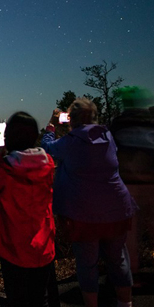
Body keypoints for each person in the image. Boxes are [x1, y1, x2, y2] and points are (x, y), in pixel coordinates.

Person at [42, 98, 137, 307]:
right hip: (117, 209)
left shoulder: (71, 142)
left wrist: (51, 125)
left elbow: (47, 150)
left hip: (84, 214)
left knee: (87, 264)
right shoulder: (108, 136)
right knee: (119, 259)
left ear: (71, 120)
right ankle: (126, 304)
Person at [0, 111, 59, 307]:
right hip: (44, 247)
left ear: (9, 138)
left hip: (14, 252)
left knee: (18, 299)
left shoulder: (5, 172)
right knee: (39, 298)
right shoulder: (47, 163)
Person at [110, 86, 154, 280]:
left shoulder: (118, 124)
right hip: (151, 183)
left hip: (127, 184)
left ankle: (131, 276)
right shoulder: (151, 122)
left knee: (130, 235)